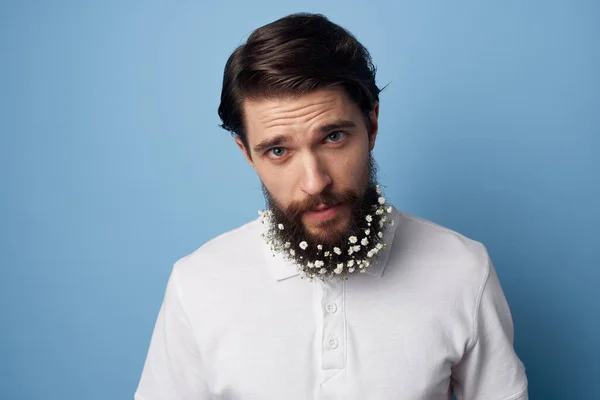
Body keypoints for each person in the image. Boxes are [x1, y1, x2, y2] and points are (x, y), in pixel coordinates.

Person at [134, 13, 528, 400]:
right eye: (277, 150)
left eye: (334, 137)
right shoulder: (197, 285)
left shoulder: (463, 269)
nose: (315, 182)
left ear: (371, 124)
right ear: (248, 155)